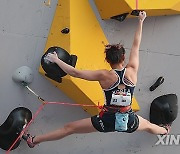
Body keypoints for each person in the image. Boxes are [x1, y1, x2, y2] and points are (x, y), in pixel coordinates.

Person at [23, 11, 170, 148]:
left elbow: (74, 72)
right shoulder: (132, 71)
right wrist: (141, 21)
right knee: (150, 126)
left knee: (69, 129)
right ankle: (165, 130)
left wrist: (56, 59)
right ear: (123, 58)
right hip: (128, 120)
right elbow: (136, 45)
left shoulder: (104, 76)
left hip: (106, 121)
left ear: (107, 60)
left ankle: (33, 140)